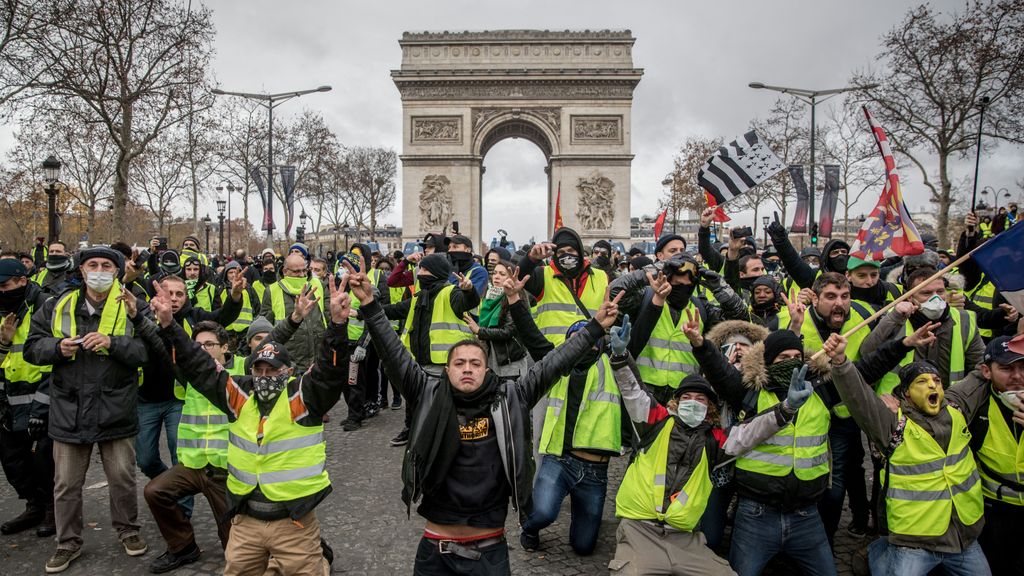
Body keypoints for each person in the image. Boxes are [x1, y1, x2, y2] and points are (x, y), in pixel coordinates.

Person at [350, 258, 620, 575]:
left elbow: (553, 364)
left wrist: (595, 328)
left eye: (475, 363)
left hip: (489, 549)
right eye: (459, 362)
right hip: (435, 548)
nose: (467, 368)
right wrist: (369, 303)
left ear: (487, 368)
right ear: (446, 371)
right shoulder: (426, 392)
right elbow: (393, 352)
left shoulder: (512, 397)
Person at [150, 273, 351, 576]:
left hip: (293, 521)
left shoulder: (303, 397)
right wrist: (169, 325)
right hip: (245, 520)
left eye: (274, 370)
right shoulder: (238, 395)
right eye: (259, 369)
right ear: (250, 370)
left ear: (289, 371)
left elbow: (330, 373)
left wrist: (337, 326)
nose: (266, 376)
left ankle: (318, 559)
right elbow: (198, 364)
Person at [687, 323, 924, 576]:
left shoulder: (820, 389)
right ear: (769, 361)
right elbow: (719, 372)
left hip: (806, 515)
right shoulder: (750, 391)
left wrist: (902, 346)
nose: (790, 363)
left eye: (796, 358)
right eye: (782, 358)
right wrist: (700, 345)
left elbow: (865, 370)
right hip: (756, 514)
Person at [608, 317, 813, 576]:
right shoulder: (656, 423)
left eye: (700, 399)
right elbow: (633, 392)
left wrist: (787, 408)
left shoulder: (716, 441)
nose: (693, 403)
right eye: (687, 398)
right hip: (640, 530)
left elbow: (751, 432)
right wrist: (620, 355)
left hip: (685, 539)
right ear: (676, 402)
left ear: (710, 408)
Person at [24, 246, 150, 573]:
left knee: (122, 478)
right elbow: (31, 347)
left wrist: (113, 343)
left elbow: (148, 350)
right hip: (69, 407)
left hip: (115, 406)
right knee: (65, 483)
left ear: (117, 271)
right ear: (80, 271)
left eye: (106, 265)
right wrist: (56, 348)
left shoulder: (133, 306)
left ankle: (128, 530)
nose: (98, 270)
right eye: (92, 264)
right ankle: (67, 543)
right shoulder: (55, 305)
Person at [825, 335, 991, 576]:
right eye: (922, 382)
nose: (933, 386)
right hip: (915, 543)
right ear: (907, 394)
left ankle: (880, 550)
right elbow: (859, 398)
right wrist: (840, 362)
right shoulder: (893, 425)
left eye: (936, 380)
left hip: (963, 538)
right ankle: (878, 552)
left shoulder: (956, 410)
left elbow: (978, 377)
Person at [378, 253, 479, 445]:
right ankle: (416, 434)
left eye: (424, 269)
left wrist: (469, 290)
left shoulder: (451, 293)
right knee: (417, 405)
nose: (419, 273)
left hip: (444, 365)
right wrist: (363, 311)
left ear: (436, 273)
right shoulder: (420, 297)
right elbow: (395, 309)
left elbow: (468, 302)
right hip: (420, 361)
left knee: (443, 409)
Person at [861, 266, 985, 395]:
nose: (936, 299)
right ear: (910, 297)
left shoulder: (964, 319)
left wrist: (960, 397)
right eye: (926, 293)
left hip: (947, 402)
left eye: (940, 292)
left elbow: (980, 366)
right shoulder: (894, 316)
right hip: (898, 403)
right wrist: (894, 318)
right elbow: (866, 352)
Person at [0, 259, 55, 538]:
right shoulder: (2, 309)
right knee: (12, 460)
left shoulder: (45, 304)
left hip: (44, 395)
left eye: (5, 286)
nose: (1, 291)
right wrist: (3, 343)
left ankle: (50, 508)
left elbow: (57, 355)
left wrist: (43, 403)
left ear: (22, 281)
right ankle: (33, 505)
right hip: (9, 398)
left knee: (44, 458)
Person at [969, 334, 1024, 575]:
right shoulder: (976, 407)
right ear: (986, 371)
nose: (1018, 377)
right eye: (1006, 368)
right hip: (994, 514)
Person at [260, 252, 326, 374]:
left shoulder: (318, 285)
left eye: (304, 271)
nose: (301, 275)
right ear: (285, 271)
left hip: (318, 359)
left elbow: (327, 316)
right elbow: (266, 327)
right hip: (289, 362)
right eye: (296, 272)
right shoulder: (272, 290)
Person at [462, 260, 528, 378]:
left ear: (512, 278)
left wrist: (479, 331)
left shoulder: (515, 298)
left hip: (509, 362)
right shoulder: (489, 296)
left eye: (502, 274)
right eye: (495, 273)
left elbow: (508, 331)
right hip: (490, 359)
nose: (496, 277)